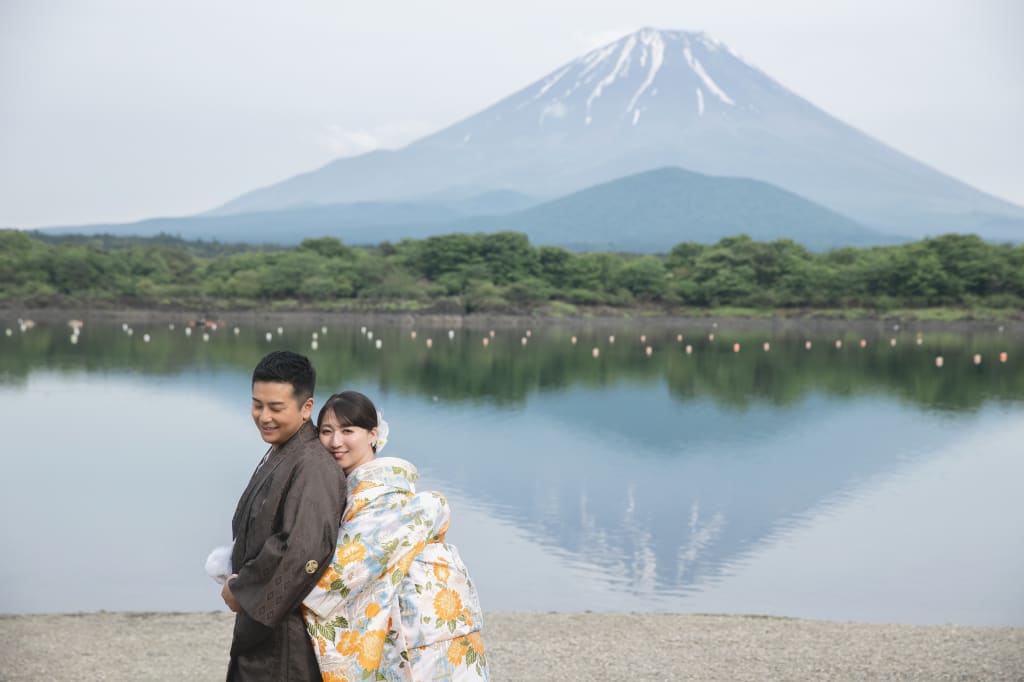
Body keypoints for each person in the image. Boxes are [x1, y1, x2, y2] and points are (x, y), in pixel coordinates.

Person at [302, 391, 489, 681]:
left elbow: (343, 571)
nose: (336, 442)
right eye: (327, 431)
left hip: (420, 629)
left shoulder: (381, 496)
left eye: (347, 430)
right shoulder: (363, 490)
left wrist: (275, 591)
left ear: (372, 434)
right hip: (431, 623)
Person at [220, 351, 347, 681]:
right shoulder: (285, 450)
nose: (264, 417)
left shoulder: (313, 464)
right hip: (266, 629)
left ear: (306, 408)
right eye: (257, 405)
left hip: (285, 639)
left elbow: (303, 550)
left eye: (276, 408)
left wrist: (243, 590)